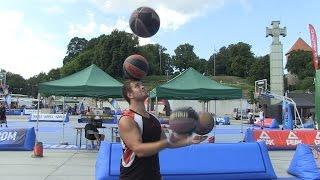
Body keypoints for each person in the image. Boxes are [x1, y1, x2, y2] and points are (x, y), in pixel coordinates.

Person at [119, 79, 207, 180]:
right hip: (132, 176)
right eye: (137, 86)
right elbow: (139, 150)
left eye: (142, 85)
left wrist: (190, 140)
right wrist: (167, 142)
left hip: (154, 175)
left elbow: (167, 143)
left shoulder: (154, 118)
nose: (143, 87)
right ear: (130, 95)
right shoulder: (127, 119)